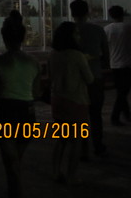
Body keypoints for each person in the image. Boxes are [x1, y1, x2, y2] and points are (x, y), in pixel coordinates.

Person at [0, 10, 41, 198]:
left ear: (4, 38)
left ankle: (16, 191)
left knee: (10, 160)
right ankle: (15, 191)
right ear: (23, 38)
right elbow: (37, 93)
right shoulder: (34, 63)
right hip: (26, 111)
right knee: (16, 158)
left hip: (6, 111)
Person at [50, 21, 93, 185]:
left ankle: (55, 172)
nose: (79, 36)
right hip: (76, 101)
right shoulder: (77, 55)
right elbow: (89, 79)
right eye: (76, 33)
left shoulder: (53, 54)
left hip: (58, 100)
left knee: (61, 138)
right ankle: (71, 175)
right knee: (76, 141)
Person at [70, 0, 109, 158]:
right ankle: (98, 144)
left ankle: (83, 148)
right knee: (95, 113)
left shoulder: (68, 31)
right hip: (94, 75)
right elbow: (106, 54)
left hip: (76, 78)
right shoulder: (98, 30)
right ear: (87, 12)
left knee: (79, 115)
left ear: (72, 13)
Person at [104, 5, 131, 125]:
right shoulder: (128, 27)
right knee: (123, 92)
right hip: (127, 63)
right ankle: (115, 117)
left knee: (121, 90)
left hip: (114, 63)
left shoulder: (107, 29)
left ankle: (126, 115)